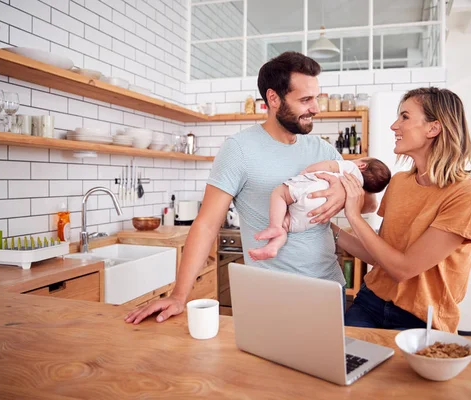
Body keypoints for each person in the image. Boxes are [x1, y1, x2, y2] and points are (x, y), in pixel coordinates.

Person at [125, 51, 376, 324]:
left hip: (329, 289)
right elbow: (207, 224)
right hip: (271, 295)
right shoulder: (240, 150)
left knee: (327, 366)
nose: (315, 107)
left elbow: (369, 205)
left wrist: (345, 192)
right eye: (305, 99)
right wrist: (178, 295)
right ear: (273, 98)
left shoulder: (322, 149)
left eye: (315, 97)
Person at [328, 87, 471, 333]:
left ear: (433, 128)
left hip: (422, 320)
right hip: (370, 302)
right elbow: (378, 257)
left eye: (404, 117)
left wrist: (353, 215)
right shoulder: (400, 182)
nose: (394, 126)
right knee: (343, 364)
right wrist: (329, 228)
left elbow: (402, 269)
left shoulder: (467, 195)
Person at [249, 157, 390, 261]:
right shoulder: (356, 189)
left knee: (279, 194)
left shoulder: (351, 167)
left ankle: (274, 226)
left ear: (362, 165)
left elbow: (328, 166)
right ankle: (273, 246)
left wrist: (306, 172)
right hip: (315, 213)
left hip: (314, 188)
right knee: (286, 225)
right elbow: (371, 205)